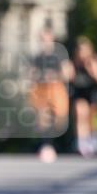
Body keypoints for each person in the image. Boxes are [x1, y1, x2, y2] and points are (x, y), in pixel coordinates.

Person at [28, 22, 71, 163]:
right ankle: (46, 145)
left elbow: (68, 73)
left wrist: (54, 76)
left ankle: (56, 145)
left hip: (56, 89)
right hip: (42, 89)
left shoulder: (60, 54)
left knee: (57, 119)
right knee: (43, 118)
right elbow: (31, 74)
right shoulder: (38, 57)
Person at [69, 36, 97, 157]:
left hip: (93, 93)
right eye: (80, 50)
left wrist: (90, 66)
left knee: (92, 115)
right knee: (81, 111)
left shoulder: (95, 60)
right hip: (79, 93)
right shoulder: (73, 63)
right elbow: (70, 78)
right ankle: (82, 142)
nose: (82, 53)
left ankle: (94, 139)